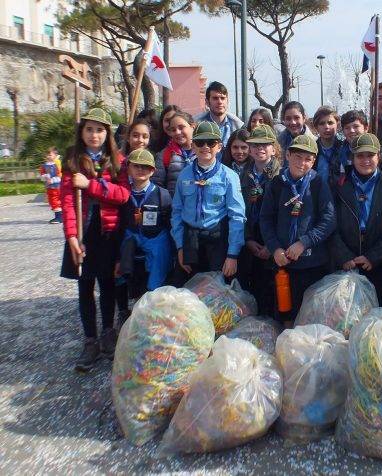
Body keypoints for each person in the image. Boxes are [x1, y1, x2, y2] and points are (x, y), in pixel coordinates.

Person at [59, 108, 130, 372]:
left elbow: (123, 195)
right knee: (85, 286)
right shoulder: (74, 160)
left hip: (107, 233)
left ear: (107, 133)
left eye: (99, 130)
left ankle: (108, 331)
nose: (94, 134)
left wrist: (91, 186)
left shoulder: (117, 160)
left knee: (108, 284)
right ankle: (90, 339)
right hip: (83, 231)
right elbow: (67, 201)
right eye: (89, 129)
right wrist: (72, 237)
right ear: (82, 131)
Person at [259, 134, 336, 323]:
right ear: (287, 155)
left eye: (308, 159)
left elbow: (329, 219)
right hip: (282, 261)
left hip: (312, 263)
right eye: (298, 157)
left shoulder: (318, 184)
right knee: (284, 312)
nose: (302, 163)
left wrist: (304, 243)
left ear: (314, 161)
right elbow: (266, 218)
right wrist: (275, 248)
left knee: (309, 315)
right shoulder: (276, 184)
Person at [169, 121, 246, 286]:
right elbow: (176, 211)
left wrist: (232, 255)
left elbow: (237, 216)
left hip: (218, 240)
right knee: (187, 293)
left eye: (211, 143)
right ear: (193, 146)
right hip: (191, 240)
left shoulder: (229, 176)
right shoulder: (184, 175)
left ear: (219, 146)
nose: (205, 147)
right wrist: (180, 247)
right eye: (199, 142)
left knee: (218, 294)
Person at [330, 133, 382, 310]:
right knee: (347, 317)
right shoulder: (338, 185)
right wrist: (344, 256)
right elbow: (330, 224)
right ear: (352, 158)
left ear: (379, 156)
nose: (365, 160)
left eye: (370, 155)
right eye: (360, 155)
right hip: (347, 261)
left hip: (378, 262)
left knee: (378, 314)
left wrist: (374, 256)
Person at [116, 149, 172, 301]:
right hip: (131, 238)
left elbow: (169, 223)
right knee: (126, 262)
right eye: (136, 166)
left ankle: (154, 297)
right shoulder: (123, 194)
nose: (140, 169)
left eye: (145, 166)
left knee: (161, 249)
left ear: (153, 171)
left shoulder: (162, 195)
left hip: (155, 239)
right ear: (128, 168)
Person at [240, 124, 281, 316]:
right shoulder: (243, 174)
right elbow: (240, 210)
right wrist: (248, 239)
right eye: (255, 145)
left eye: (265, 144)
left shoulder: (282, 176)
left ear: (274, 148)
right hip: (250, 239)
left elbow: (284, 216)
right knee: (252, 287)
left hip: (272, 242)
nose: (260, 149)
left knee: (272, 292)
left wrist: (271, 245)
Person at [195, 81, 244, 157]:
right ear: (207, 102)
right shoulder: (197, 124)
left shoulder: (238, 126)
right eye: (215, 98)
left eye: (223, 98)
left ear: (227, 101)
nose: (220, 102)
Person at [158, 111, 196, 197]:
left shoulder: (204, 151)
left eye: (181, 127)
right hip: (173, 206)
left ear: (193, 126)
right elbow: (157, 185)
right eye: (173, 130)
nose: (177, 132)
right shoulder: (165, 154)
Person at [312, 106, 343, 184]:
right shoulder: (311, 150)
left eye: (330, 123)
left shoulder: (344, 148)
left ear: (338, 125)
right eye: (322, 123)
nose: (326, 127)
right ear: (316, 127)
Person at [39, 146, 62, 224]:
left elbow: (60, 175)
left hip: (57, 186)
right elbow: (41, 175)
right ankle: (59, 216)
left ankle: (59, 217)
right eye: (47, 155)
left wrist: (52, 180)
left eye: (50, 155)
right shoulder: (44, 165)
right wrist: (44, 177)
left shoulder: (57, 164)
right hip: (49, 187)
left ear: (55, 155)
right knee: (52, 201)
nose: (48, 156)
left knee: (56, 201)